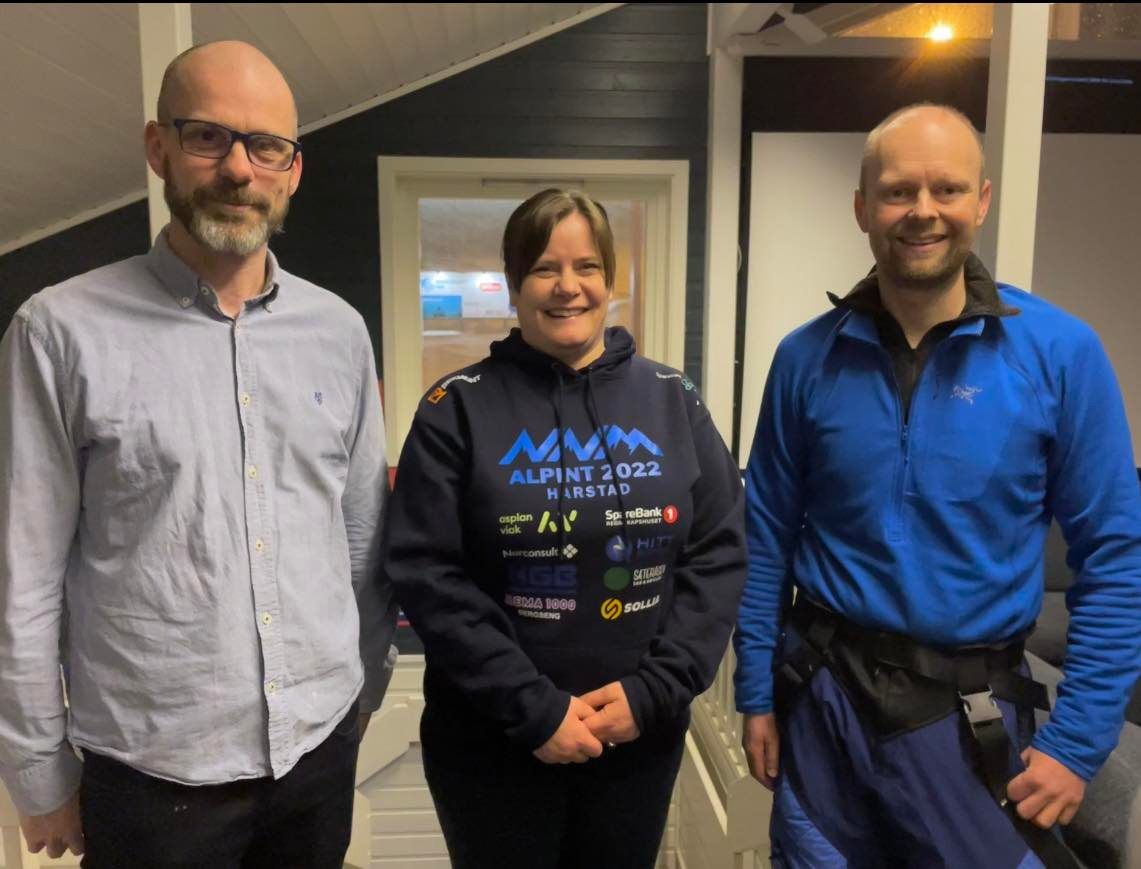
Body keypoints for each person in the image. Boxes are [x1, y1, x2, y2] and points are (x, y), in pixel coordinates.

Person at [0, 41, 397, 867]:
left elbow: (362, 537)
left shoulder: (339, 333)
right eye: (209, 136)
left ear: (293, 169)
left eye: (266, 146)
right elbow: (23, 575)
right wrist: (38, 768)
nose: (239, 168)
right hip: (151, 781)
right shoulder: (59, 333)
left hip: (317, 753)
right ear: (159, 147)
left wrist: (363, 686)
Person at [734, 103, 1141, 867]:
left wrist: (1078, 739)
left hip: (966, 722)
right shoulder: (806, 358)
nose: (921, 210)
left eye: (946, 189)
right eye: (897, 191)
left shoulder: (1058, 354)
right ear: (862, 207)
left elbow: (1116, 558)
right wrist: (756, 691)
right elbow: (765, 539)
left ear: (979, 201)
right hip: (823, 711)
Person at [383, 188, 746, 868]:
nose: (567, 286)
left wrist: (654, 692)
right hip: (491, 741)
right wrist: (533, 708)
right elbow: (428, 574)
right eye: (544, 268)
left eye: (586, 266)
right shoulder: (453, 408)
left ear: (609, 278)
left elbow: (718, 555)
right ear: (513, 283)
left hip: (634, 738)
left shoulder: (672, 399)